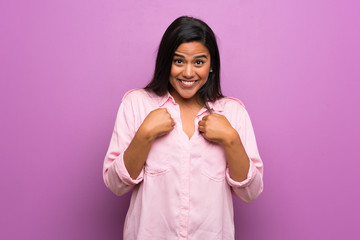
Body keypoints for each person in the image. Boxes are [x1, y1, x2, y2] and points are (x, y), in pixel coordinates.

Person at [103, 16, 263, 240]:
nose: (188, 73)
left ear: (212, 65)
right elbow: (116, 185)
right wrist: (145, 134)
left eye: (199, 62)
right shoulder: (136, 104)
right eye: (178, 61)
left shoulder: (232, 112)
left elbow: (250, 193)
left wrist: (231, 139)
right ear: (165, 61)